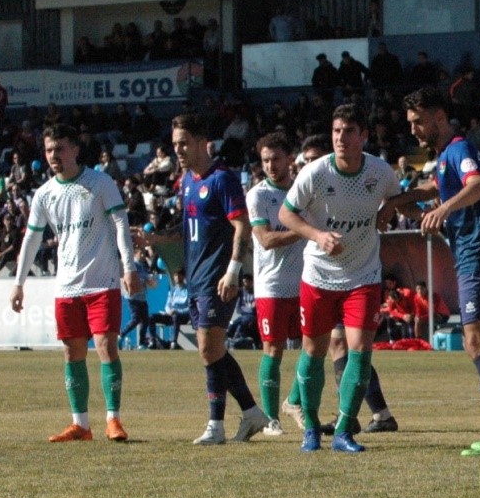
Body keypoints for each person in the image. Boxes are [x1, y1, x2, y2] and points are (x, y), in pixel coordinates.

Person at [280, 104, 413, 453]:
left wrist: (410, 208)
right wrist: (317, 235)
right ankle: (311, 428)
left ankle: (343, 431)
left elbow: (398, 200)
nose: (341, 138)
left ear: (363, 136)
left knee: (361, 351)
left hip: (363, 275)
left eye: (349, 131)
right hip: (319, 275)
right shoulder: (316, 172)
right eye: (336, 131)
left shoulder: (379, 171)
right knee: (313, 351)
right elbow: (286, 213)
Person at [404, 86, 480, 456]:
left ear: (439, 117)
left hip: (479, 253)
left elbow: (477, 185)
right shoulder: (445, 157)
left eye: (418, 122)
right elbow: (434, 188)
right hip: (472, 254)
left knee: (476, 341)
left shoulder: (459, 148)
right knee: (478, 341)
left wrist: (443, 209)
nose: (413, 130)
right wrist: (398, 201)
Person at [138, 114, 271, 445]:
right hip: (196, 279)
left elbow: (242, 225)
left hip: (218, 277)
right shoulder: (187, 181)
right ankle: (251, 412)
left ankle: (216, 425)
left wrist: (233, 270)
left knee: (208, 348)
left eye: (184, 143)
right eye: (175, 144)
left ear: (202, 143)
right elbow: (187, 230)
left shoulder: (222, 179)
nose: (178, 150)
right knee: (212, 350)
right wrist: (155, 239)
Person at [9, 124, 143, 443]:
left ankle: (113, 419)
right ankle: (81, 425)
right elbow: (31, 238)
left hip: (102, 281)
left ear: (75, 150)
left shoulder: (100, 182)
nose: (53, 155)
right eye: (48, 150)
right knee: (72, 352)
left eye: (59, 148)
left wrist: (129, 267)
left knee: (106, 346)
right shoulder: (44, 194)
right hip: (67, 285)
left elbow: (120, 223)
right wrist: (18, 282)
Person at [246, 132, 306, 437]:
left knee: (316, 345)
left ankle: (293, 401)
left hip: (306, 283)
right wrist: (307, 230)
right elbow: (266, 240)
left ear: (289, 159)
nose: (270, 166)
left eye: (276, 159)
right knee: (273, 348)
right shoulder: (258, 195)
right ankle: (270, 420)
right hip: (272, 285)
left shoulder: (302, 191)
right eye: (265, 160)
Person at [118, 247, 158, 349]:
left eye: (144, 253)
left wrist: (150, 280)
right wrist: (147, 277)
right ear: (135, 253)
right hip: (133, 297)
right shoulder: (133, 265)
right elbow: (136, 276)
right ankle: (121, 335)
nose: (143, 255)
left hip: (142, 297)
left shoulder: (143, 265)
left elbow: (147, 279)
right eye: (141, 253)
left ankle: (141, 343)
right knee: (136, 319)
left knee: (145, 320)